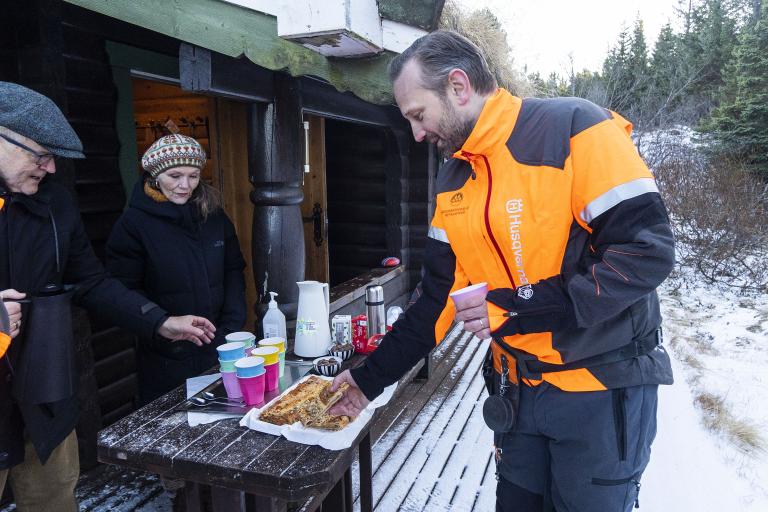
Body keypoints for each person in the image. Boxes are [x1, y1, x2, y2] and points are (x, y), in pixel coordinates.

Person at [331, 31, 675, 512]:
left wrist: (516, 310)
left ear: (458, 86)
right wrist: (367, 381)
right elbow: (435, 302)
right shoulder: (453, 178)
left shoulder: (574, 127)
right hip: (517, 396)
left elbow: (646, 252)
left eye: (417, 114)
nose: (416, 133)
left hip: (598, 390)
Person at [0, 82, 216, 511]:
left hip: (43, 393)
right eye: (40, 154)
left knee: (53, 500)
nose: (51, 168)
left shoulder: (56, 204)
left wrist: (159, 320)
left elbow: (91, 281)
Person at [105, 134, 246, 405]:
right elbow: (124, 289)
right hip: (165, 355)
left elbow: (233, 270)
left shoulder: (213, 216)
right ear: (155, 175)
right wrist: (160, 325)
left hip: (221, 345)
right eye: (175, 175)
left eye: (193, 176)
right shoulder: (133, 224)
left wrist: (230, 325)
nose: (185, 185)